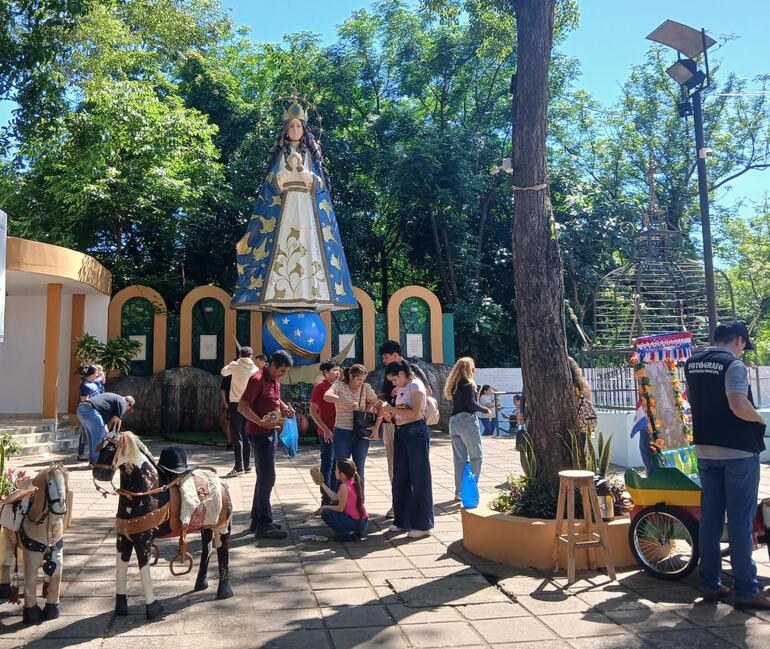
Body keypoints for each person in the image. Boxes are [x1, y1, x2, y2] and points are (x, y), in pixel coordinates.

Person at [231, 98, 356, 312]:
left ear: (304, 129)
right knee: (283, 246)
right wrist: (283, 175)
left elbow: (322, 185)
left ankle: (311, 291)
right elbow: (269, 184)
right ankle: (278, 292)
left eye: (299, 126)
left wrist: (309, 177)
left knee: (309, 246)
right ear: (285, 129)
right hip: (284, 211)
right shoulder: (280, 154)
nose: (295, 130)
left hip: (308, 210)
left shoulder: (312, 155)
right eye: (291, 126)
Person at [684, 320, 769, 608]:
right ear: (740, 341)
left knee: (709, 520)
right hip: (738, 454)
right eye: (744, 346)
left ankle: (709, 584)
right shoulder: (733, 366)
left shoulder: (692, 363)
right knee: (740, 522)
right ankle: (746, 589)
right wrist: (760, 419)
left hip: (706, 451)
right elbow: (737, 403)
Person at [238, 350, 295, 539]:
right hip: (259, 434)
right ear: (273, 365)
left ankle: (257, 520)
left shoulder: (274, 379)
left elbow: (274, 398)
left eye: (285, 371)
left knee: (263, 477)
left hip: (271, 432)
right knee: (268, 478)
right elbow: (242, 406)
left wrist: (285, 408)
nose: (283, 375)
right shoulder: (257, 379)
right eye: (282, 371)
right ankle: (264, 524)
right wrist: (260, 422)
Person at [378, 340, 432, 516]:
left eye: (386, 356)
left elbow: (426, 392)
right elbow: (389, 395)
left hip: (412, 425)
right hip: (393, 423)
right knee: (395, 466)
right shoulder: (391, 374)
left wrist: (406, 390)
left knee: (415, 469)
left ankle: (411, 509)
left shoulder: (412, 373)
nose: (384, 360)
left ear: (395, 355)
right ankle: (399, 505)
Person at [323, 364, 381, 488]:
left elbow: (379, 405)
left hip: (360, 433)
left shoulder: (366, 388)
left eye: (363, 379)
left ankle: (359, 503)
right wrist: (347, 402)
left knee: (359, 468)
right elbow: (327, 396)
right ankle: (342, 502)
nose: (361, 382)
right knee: (342, 468)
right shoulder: (340, 385)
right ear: (350, 376)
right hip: (342, 431)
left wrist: (376, 426)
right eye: (359, 379)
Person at [444, 357, 491, 501]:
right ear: (468, 369)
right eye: (473, 367)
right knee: (476, 456)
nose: (475, 370)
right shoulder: (468, 384)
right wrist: (486, 411)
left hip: (454, 422)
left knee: (460, 459)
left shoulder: (455, 384)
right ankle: (471, 487)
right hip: (466, 421)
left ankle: (459, 491)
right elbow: (471, 404)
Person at [221, 347, 260, 478]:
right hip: (250, 405)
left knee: (237, 435)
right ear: (251, 355)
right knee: (246, 434)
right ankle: (247, 464)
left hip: (236, 404)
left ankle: (239, 466)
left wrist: (232, 363)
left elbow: (223, 372)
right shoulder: (255, 369)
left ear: (239, 354)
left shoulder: (235, 365)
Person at [312, 459, 368, 542]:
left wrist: (324, 507)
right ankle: (354, 531)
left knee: (326, 513)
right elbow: (335, 497)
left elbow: (340, 508)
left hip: (355, 522)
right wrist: (322, 484)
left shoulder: (344, 486)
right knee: (330, 508)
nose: (335, 471)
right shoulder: (352, 481)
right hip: (363, 522)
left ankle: (349, 533)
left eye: (336, 470)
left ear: (342, 474)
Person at [309, 359, 342, 504]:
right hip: (327, 432)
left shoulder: (341, 387)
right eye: (334, 370)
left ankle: (336, 494)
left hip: (341, 431)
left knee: (338, 464)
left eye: (339, 370)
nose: (338, 373)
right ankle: (325, 496)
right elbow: (313, 412)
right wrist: (326, 430)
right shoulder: (320, 388)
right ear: (325, 372)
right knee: (327, 463)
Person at [77, 392, 135, 465]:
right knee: (98, 438)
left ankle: (92, 461)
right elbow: (117, 422)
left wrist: (107, 432)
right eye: (128, 409)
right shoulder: (122, 402)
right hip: (91, 410)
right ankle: (97, 462)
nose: (126, 411)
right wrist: (116, 436)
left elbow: (107, 424)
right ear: (129, 405)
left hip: (81, 409)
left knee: (92, 437)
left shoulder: (113, 402)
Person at [568, 357, 597, 458]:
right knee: (581, 454)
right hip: (584, 425)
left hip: (575, 425)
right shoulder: (583, 384)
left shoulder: (570, 386)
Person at [77, 365, 102, 461]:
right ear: (92, 373)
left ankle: (93, 454)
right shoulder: (85, 385)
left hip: (96, 410)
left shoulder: (94, 383)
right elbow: (84, 400)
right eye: (96, 372)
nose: (97, 374)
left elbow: (101, 379)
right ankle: (81, 453)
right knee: (85, 432)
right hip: (88, 411)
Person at [219, 373, 233, 450]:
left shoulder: (242, 375)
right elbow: (222, 390)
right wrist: (225, 403)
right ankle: (229, 441)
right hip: (230, 402)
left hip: (240, 403)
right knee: (228, 421)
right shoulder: (228, 377)